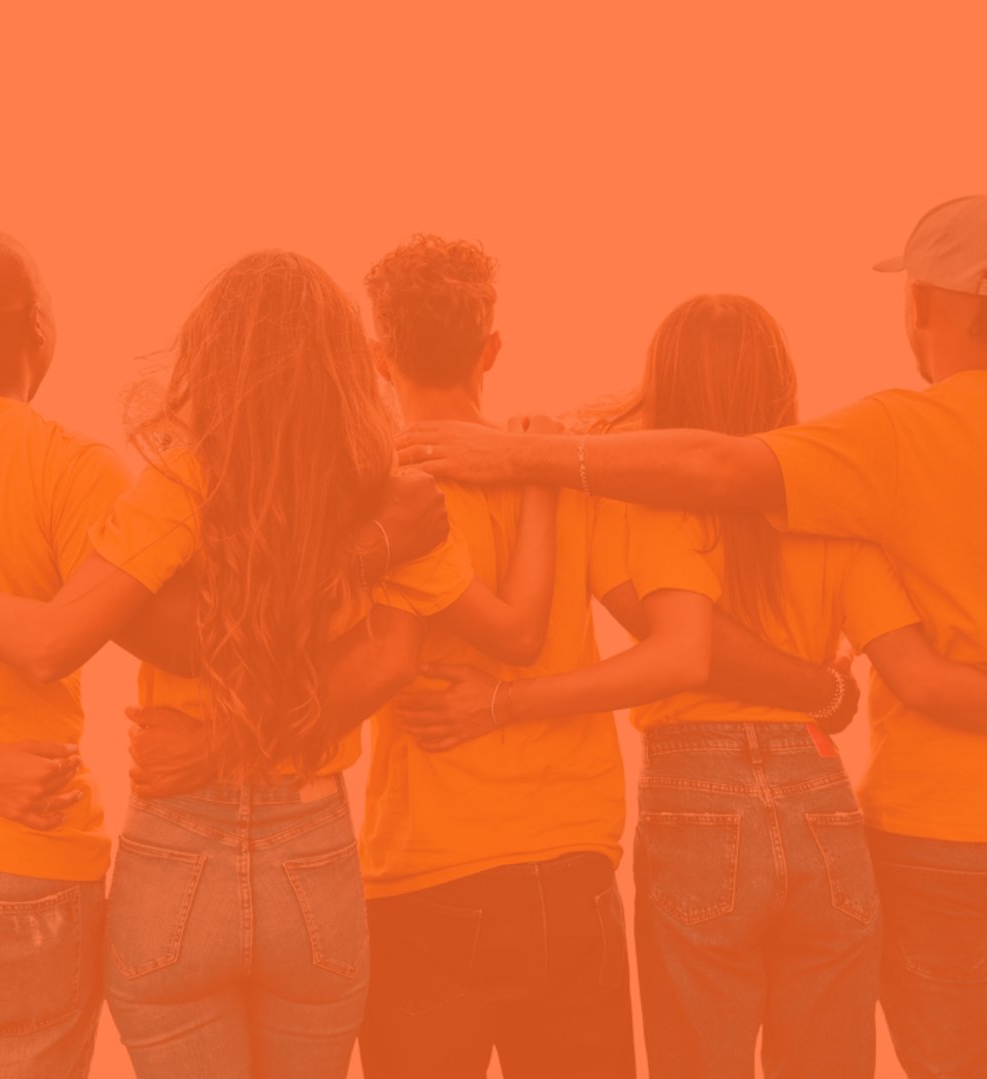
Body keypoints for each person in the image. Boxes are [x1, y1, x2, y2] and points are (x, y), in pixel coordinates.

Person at [394, 196, 987, 1077]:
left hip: (924, 831)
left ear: (923, 302)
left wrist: (527, 454)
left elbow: (717, 491)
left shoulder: (888, 438)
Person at [0, 249, 545, 1079]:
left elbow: (52, 642)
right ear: (347, 363)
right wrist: (363, 555)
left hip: (177, 852)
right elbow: (387, 665)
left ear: (208, 360)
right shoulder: (390, 493)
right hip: (313, 850)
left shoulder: (179, 485)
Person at [352, 238, 866, 1079]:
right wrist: (823, 686)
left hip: (423, 871)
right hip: (570, 869)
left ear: (377, 356)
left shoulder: (375, 491)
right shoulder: (564, 475)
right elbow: (682, 644)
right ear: (492, 350)